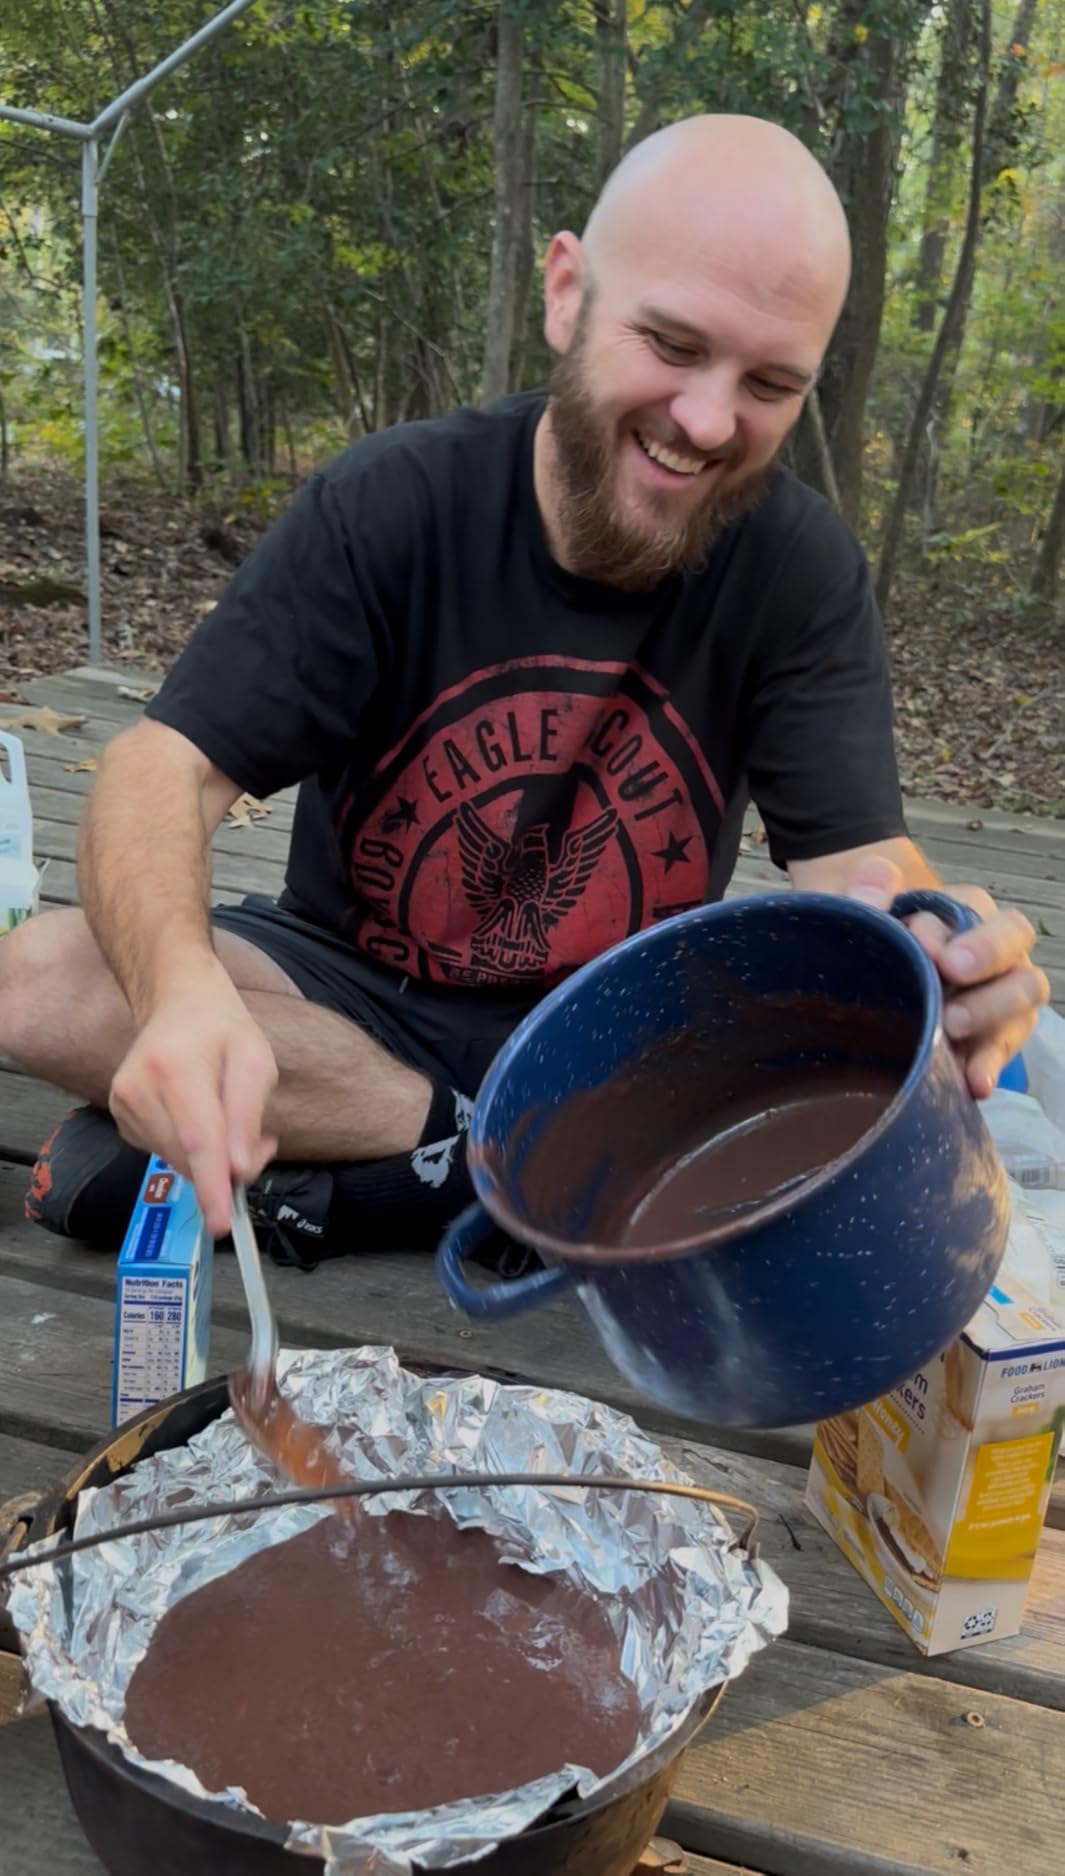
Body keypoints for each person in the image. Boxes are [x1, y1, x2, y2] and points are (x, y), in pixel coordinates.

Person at [0, 114, 1048, 1266]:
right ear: (567, 293)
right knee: (40, 984)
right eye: (671, 341)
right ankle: (483, 1168)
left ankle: (411, 1176)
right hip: (353, 997)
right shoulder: (395, 502)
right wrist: (184, 992)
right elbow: (166, 764)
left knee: (1016, 1070)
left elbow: (860, 865)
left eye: (770, 381)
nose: (707, 419)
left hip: (631, 1041)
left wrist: (941, 963)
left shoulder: (798, 568)